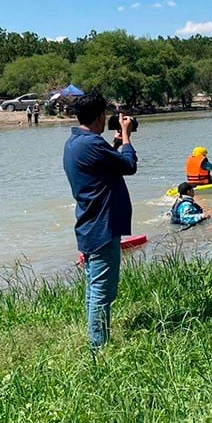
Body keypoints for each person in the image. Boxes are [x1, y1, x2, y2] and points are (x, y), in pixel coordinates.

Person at [63, 92, 138, 350]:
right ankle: (99, 348)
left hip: (89, 223)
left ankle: (96, 340)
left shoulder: (77, 142)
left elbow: (100, 167)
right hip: (102, 226)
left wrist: (114, 145)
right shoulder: (93, 144)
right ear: (100, 117)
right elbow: (129, 166)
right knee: (102, 292)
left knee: (94, 287)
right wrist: (126, 136)